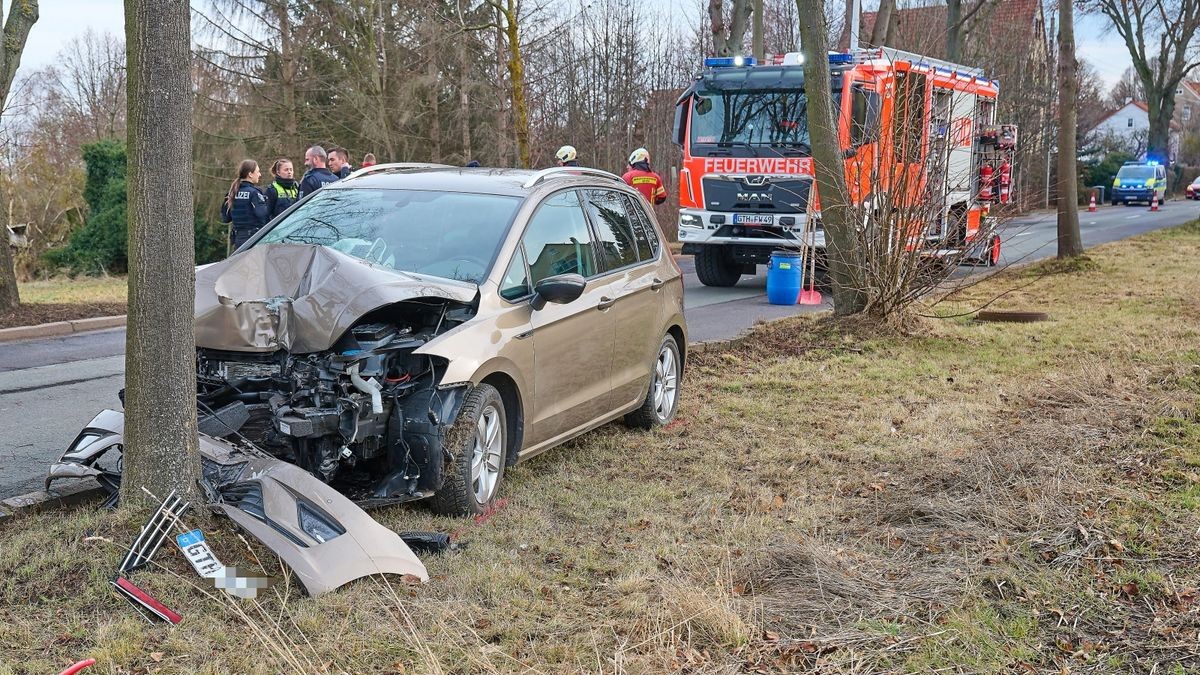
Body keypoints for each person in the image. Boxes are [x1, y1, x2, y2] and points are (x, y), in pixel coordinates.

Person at [220, 159, 269, 251]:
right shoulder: (254, 193)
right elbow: (262, 215)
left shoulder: (232, 193)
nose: (260, 174)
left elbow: (225, 218)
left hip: (238, 240)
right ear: (250, 174)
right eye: (258, 172)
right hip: (253, 239)